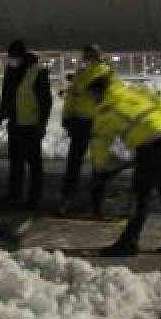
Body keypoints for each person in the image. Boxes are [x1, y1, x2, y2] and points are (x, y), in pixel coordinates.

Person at [86, 76, 161, 256]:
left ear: (98, 92)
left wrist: (101, 169)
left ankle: (128, 243)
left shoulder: (106, 111)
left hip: (151, 148)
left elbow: (99, 144)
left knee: (140, 197)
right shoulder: (133, 93)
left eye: (91, 96)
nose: (91, 100)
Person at [0, 41, 53, 211]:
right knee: (15, 162)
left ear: (22, 56)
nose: (11, 60)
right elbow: (6, 94)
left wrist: (42, 124)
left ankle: (34, 198)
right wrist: (1, 116)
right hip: (15, 124)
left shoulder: (37, 73)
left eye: (13, 57)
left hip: (31, 125)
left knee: (34, 163)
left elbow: (46, 102)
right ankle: (14, 195)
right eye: (10, 57)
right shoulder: (11, 70)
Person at [60, 46, 115, 215]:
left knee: (93, 164)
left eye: (88, 56)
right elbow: (71, 96)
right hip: (82, 123)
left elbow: (110, 98)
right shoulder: (82, 73)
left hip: (95, 123)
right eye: (85, 55)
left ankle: (93, 202)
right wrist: (66, 116)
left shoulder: (105, 73)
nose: (85, 58)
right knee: (79, 162)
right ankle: (75, 199)